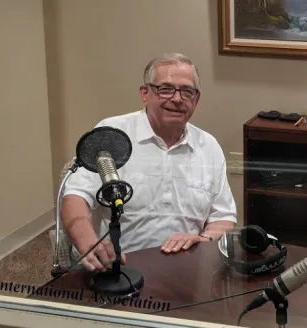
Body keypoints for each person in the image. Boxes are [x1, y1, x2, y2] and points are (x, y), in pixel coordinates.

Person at [61, 53, 237, 273]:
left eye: (186, 91)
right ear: (145, 94)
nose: (176, 98)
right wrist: (88, 243)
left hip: (186, 270)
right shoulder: (111, 135)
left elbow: (223, 217)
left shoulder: (208, 146)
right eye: (165, 89)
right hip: (119, 268)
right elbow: (75, 196)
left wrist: (203, 238)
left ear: (196, 99)